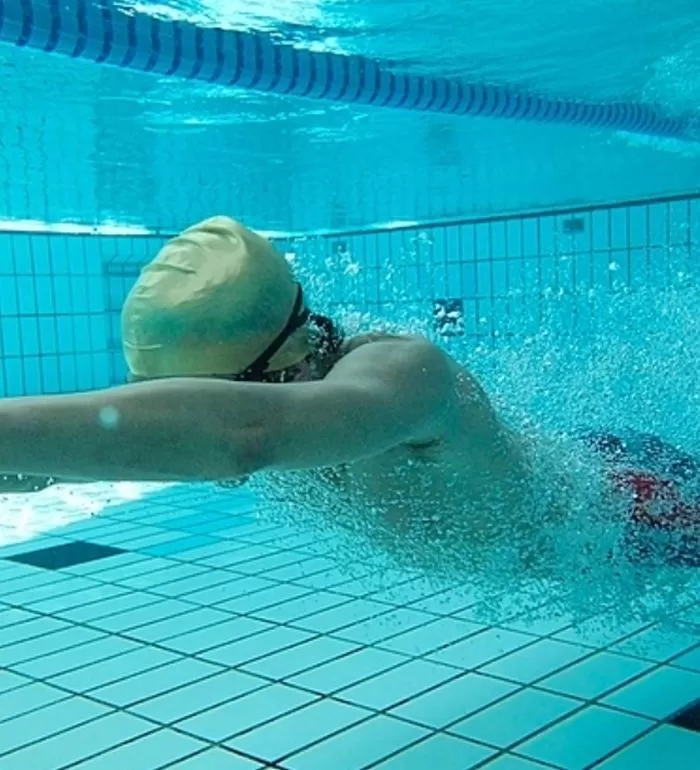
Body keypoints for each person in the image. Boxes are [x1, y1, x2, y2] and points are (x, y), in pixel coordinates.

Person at [0, 216, 697, 567]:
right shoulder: (288, 386)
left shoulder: (400, 375)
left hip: (632, 502)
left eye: (205, 396)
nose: (178, 422)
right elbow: (58, 461)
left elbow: (241, 437)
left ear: (280, 370)